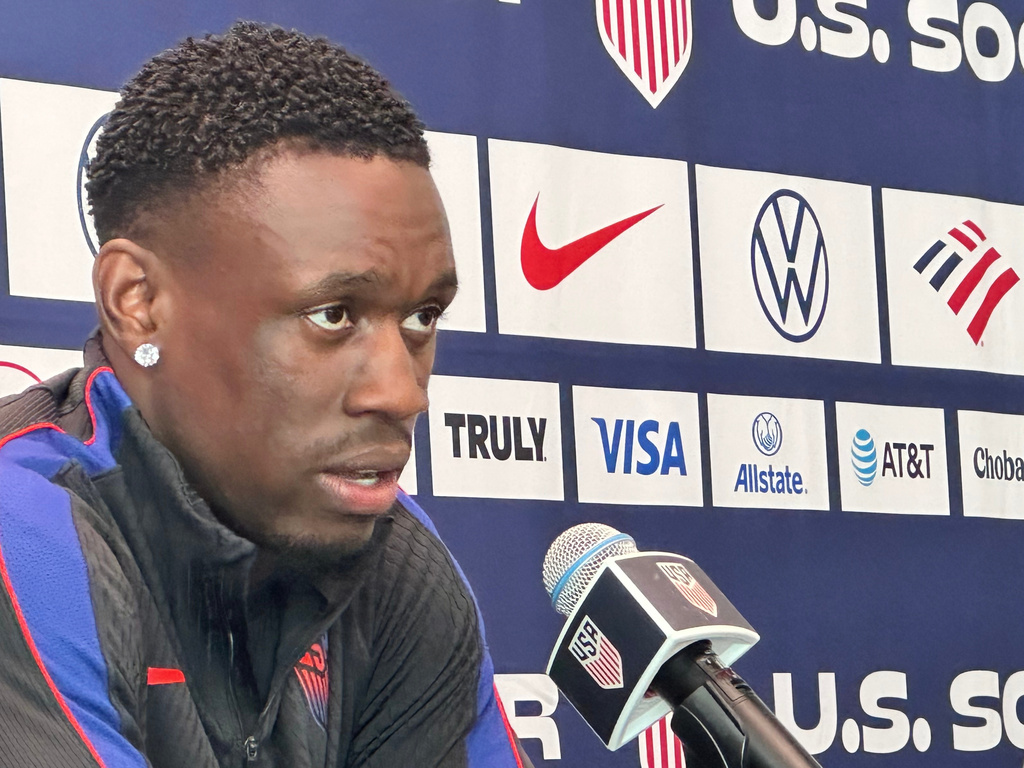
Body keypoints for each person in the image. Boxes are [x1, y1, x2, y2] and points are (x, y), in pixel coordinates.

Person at [0, 21, 531, 768]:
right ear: (138, 302)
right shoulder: (23, 533)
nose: (402, 393)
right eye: (332, 315)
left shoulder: (400, 563)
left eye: (422, 318)